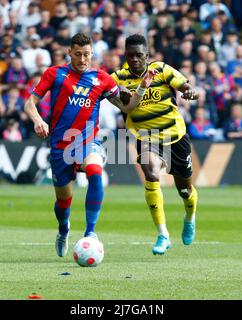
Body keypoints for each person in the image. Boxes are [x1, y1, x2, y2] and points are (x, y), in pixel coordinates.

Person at [24, 33, 156, 258]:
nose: (82, 59)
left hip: (87, 141)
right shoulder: (55, 74)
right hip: (60, 146)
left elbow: (129, 108)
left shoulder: (102, 79)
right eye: (77, 54)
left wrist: (142, 87)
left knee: (95, 172)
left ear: (92, 54)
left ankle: (90, 232)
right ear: (69, 53)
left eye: (86, 55)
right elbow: (30, 104)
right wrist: (38, 120)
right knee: (63, 202)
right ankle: (63, 229)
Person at [111, 34, 199, 255]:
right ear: (125, 55)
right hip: (147, 138)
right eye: (130, 56)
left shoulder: (161, 69)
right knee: (151, 172)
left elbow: (184, 84)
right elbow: (103, 88)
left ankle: (189, 217)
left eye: (139, 55)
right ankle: (163, 234)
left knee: (185, 190)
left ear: (147, 56)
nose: (134, 60)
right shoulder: (119, 78)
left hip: (175, 136)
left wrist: (188, 90)